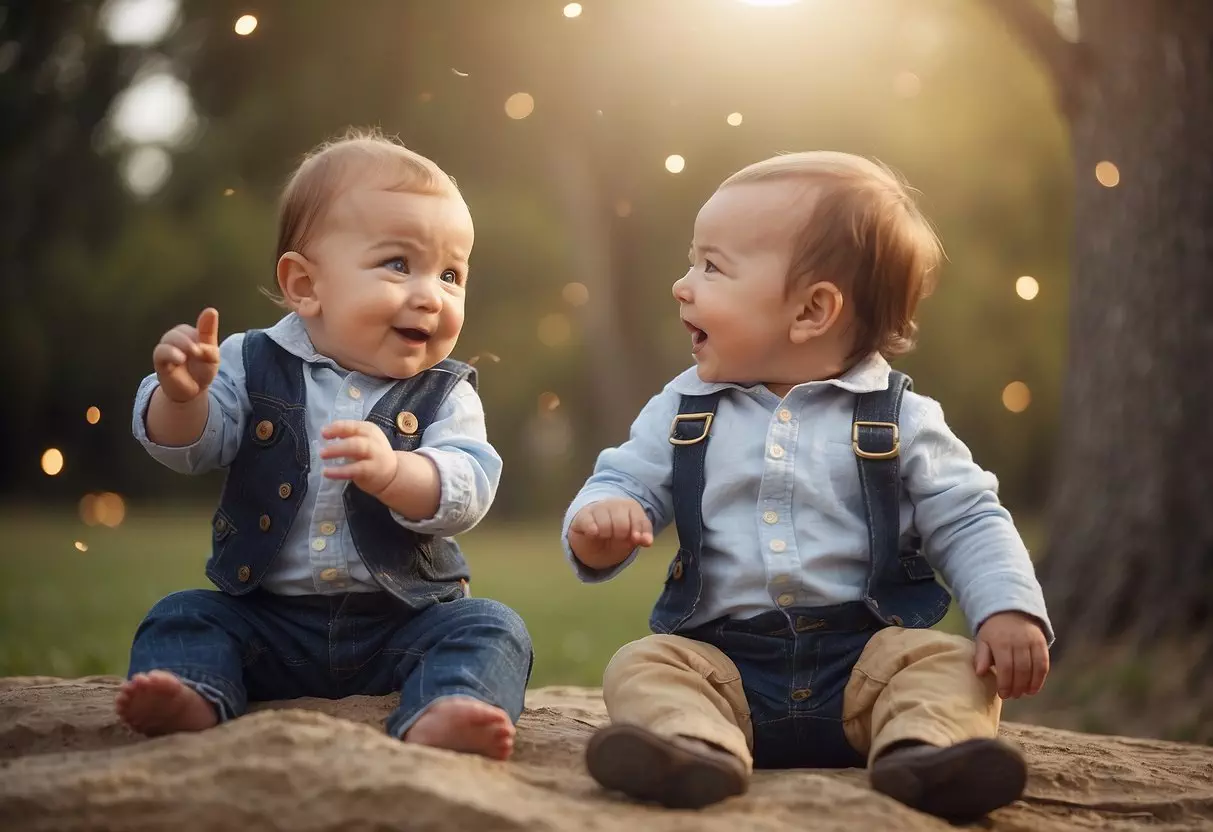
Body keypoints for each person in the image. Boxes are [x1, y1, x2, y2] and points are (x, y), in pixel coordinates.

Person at [563, 151, 1052, 820]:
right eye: (690, 261)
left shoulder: (899, 415)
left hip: (865, 661)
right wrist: (602, 522)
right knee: (642, 665)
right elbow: (622, 483)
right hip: (725, 666)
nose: (682, 285)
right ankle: (693, 747)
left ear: (811, 310)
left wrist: (1007, 607)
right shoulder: (683, 407)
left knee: (950, 665)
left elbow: (966, 516)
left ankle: (921, 751)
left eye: (711, 266)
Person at [117, 129, 531, 761]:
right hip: (267, 621)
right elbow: (194, 447)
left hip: (403, 623)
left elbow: (468, 488)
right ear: (305, 286)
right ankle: (192, 691)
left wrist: (398, 472)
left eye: (450, 274)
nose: (429, 294)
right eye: (398, 264)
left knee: (493, 626)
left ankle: (450, 705)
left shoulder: (446, 394)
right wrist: (182, 398)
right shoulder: (249, 362)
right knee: (183, 615)